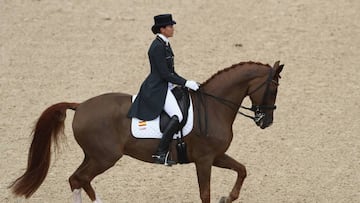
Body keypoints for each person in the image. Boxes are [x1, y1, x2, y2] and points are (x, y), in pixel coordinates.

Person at [127, 14, 199, 165]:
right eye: (170, 26)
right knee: (177, 115)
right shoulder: (157, 47)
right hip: (157, 87)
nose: (173, 29)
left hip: (166, 84)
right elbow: (164, 74)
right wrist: (185, 82)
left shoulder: (165, 44)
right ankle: (161, 153)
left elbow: (171, 71)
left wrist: (186, 82)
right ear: (162, 29)